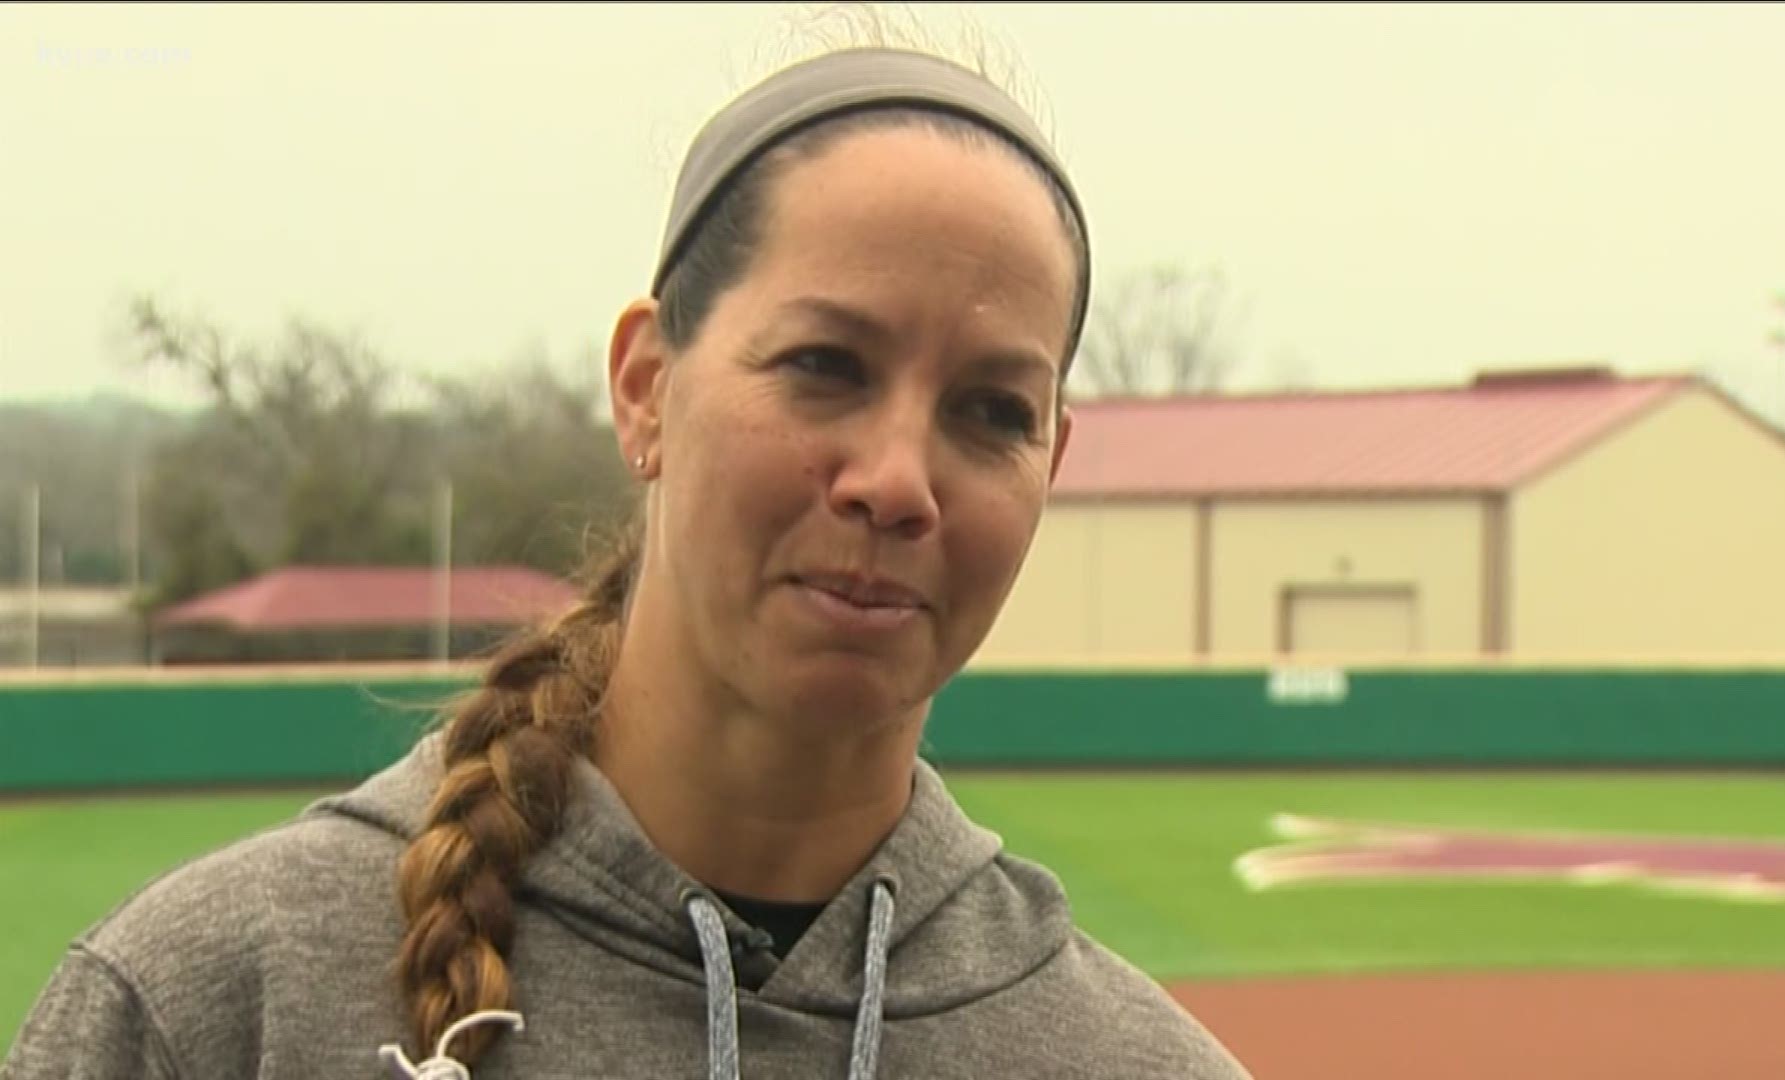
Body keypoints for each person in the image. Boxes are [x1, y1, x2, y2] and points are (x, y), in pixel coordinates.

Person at [3, 42, 1252, 1080]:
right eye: (826, 365)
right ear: (647, 386)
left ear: (1054, 463)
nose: (897, 481)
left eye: (991, 412)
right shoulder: (215, 1010)